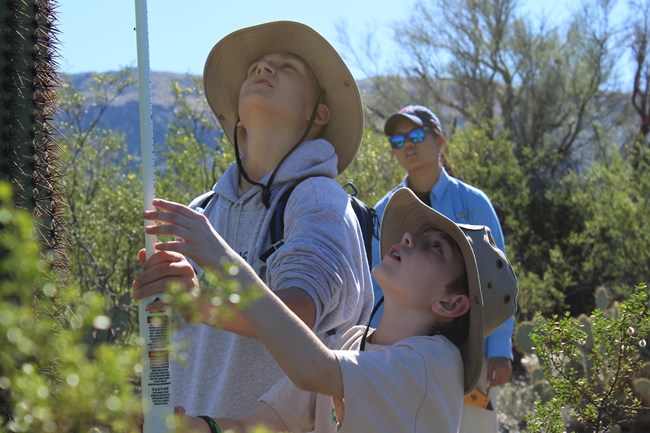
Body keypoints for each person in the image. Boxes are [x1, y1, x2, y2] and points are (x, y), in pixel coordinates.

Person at [132, 21, 374, 419]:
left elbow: (299, 312)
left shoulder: (316, 196)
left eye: (287, 67)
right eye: (254, 69)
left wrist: (198, 303)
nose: (263, 70)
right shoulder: (202, 208)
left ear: (319, 114)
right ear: (239, 119)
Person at [134, 187, 519, 433]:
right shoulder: (354, 344)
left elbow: (311, 367)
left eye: (436, 248)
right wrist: (186, 427)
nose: (407, 237)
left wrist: (220, 256)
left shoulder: (435, 363)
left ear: (451, 304)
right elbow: (263, 427)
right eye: (416, 236)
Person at [370, 105, 516, 432]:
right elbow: (376, 282)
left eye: (417, 135)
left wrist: (499, 350)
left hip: (468, 351)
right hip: (400, 355)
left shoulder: (474, 202)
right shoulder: (385, 209)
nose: (407, 144)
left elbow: (498, 279)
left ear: (440, 140)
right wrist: (378, 347)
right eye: (397, 139)